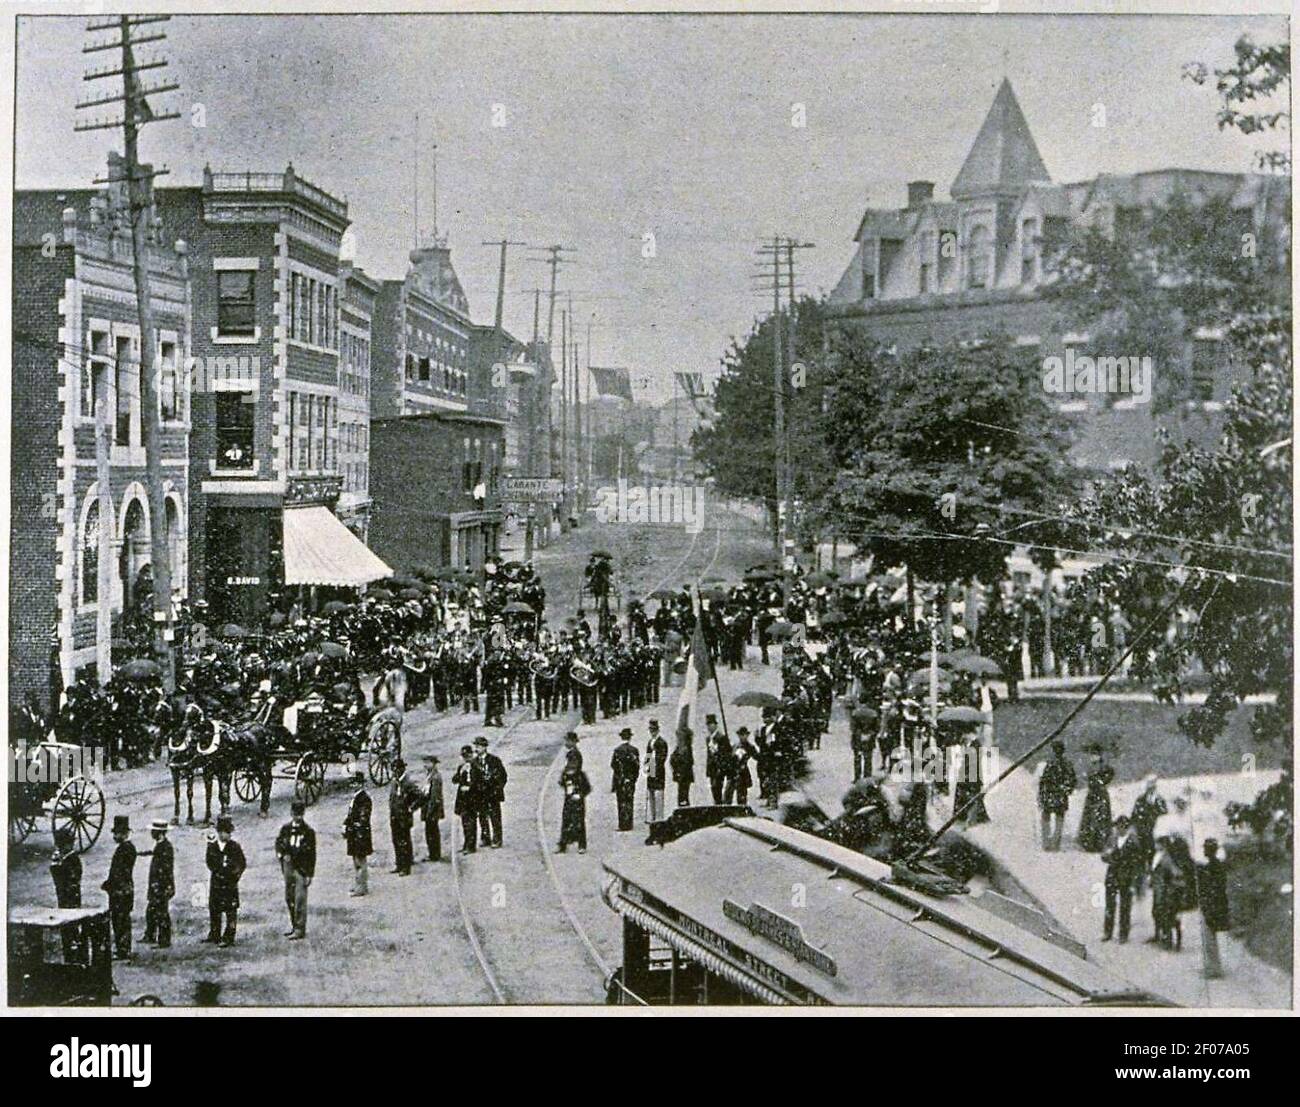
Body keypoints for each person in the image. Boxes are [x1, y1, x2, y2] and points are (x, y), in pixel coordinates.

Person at [276, 800, 316, 939]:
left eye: (300, 814)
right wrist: (282, 855)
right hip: (288, 867)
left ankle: (300, 928)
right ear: (291, 813)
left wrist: (310, 874)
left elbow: (312, 855)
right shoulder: (285, 829)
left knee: (300, 898)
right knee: (289, 897)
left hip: (301, 868)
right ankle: (294, 925)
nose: (298, 817)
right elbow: (279, 844)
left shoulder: (309, 832)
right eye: (295, 814)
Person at [205, 815, 246, 947]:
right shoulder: (212, 846)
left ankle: (229, 936)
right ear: (218, 832)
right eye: (222, 832)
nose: (224, 835)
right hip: (217, 882)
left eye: (227, 832)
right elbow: (209, 861)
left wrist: (235, 874)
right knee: (214, 908)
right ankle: (215, 933)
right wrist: (217, 871)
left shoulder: (235, 847)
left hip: (230, 883)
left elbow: (241, 863)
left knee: (230, 910)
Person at [1101, 814, 1142, 943]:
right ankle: (1108, 932)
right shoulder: (1112, 839)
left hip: (1126, 876)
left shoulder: (1133, 842)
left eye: (1122, 827)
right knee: (1110, 905)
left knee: (1125, 907)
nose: (1120, 830)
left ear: (1127, 828)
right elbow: (1103, 855)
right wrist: (1108, 855)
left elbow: (1137, 862)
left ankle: (1123, 934)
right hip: (1112, 875)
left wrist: (1135, 879)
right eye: (1118, 827)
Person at [101, 815, 137, 959]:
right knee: (121, 920)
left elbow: (118, 873)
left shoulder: (124, 849)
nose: (115, 836)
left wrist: (109, 884)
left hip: (120, 892)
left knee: (120, 921)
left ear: (124, 834)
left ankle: (123, 950)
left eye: (117, 833)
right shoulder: (127, 848)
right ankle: (123, 948)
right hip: (123, 890)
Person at [1196, 839, 1230, 979]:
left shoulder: (1211, 867)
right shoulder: (1216, 866)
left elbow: (1212, 888)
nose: (1204, 850)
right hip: (1216, 904)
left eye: (1205, 848)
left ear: (1209, 850)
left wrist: (1206, 904)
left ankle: (1213, 969)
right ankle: (1212, 967)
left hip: (1212, 906)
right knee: (1210, 937)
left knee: (1209, 937)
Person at [1149, 832, 1188, 951]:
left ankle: (1168, 940)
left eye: (1159, 844)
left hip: (1164, 890)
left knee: (1167, 915)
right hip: (1158, 888)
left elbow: (1174, 873)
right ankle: (1159, 935)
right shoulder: (1157, 855)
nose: (1156, 845)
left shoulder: (1166, 858)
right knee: (1156, 912)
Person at [1130, 775, 1167, 896]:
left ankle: (1153, 878)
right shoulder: (1140, 799)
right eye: (1148, 785)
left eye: (1152, 785)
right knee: (1140, 857)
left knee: (1153, 856)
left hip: (1153, 832)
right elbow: (1134, 816)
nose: (1150, 787)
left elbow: (1163, 814)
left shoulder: (1159, 800)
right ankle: (1140, 883)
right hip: (1142, 832)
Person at [1037, 740, 1077, 852]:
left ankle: (1047, 843)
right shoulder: (1066, 764)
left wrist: (1042, 794)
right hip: (1059, 795)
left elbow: (1043, 781)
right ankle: (1054, 844)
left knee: (1048, 818)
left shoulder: (1051, 763)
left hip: (1051, 794)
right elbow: (1072, 780)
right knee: (1058, 819)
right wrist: (1066, 789)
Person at [141, 819, 175, 948]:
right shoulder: (162, 845)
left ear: (159, 833)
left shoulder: (165, 847)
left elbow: (165, 870)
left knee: (161, 913)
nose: (151, 833)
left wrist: (162, 886)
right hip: (158, 885)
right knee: (152, 911)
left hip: (161, 886)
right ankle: (151, 935)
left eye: (153, 831)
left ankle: (164, 940)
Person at [1077, 748, 1115, 852]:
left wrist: (1101, 782)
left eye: (1095, 754)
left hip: (1100, 794)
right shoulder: (1091, 766)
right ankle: (1089, 842)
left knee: (1100, 818)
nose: (1093, 756)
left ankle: (1099, 842)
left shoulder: (1103, 766)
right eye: (1092, 754)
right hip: (1092, 794)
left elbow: (1109, 774)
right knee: (1090, 818)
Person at [474, 736, 508, 849]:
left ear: (485, 747)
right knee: (482, 817)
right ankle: (485, 838)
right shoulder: (474, 762)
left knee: (495, 817)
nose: (477, 749)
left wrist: (497, 788)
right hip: (480, 794)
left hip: (493, 794)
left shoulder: (494, 760)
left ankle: (497, 839)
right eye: (476, 746)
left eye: (479, 746)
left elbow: (503, 776)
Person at [556, 750, 591, 854]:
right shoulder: (565, 773)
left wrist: (580, 794)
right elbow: (562, 783)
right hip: (568, 801)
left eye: (573, 761)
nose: (571, 763)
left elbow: (587, 788)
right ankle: (563, 844)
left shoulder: (581, 775)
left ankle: (582, 845)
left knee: (579, 822)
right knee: (566, 821)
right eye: (570, 761)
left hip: (578, 802)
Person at [343, 771, 373, 896]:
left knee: (361, 861)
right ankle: (358, 884)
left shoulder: (364, 799)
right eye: (352, 783)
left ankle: (362, 887)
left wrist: (354, 828)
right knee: (356, 860)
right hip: (354, 833)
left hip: (360, 833)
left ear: (361, 784)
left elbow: (363, 818)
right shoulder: (356, 797)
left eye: (355, 783)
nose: (353, 785)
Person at [388, 758, 418, 875]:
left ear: (402, 769)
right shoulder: (395, 782)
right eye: (393, 770)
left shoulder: (407, 783)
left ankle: (406, 867)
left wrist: (411, 808)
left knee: (404, 841)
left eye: (396, 770)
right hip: (395, 816)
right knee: (396, 840)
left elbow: (419, 796)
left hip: (404, 816)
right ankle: (399, 864)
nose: (394, 772)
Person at [452, 745, 481, 854]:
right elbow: (454, 780)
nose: (466, 758)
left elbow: (479, 782)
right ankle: (466, 844)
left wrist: (470, 787)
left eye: (467, 756)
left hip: (472, 799)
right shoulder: (461, 767)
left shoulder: (476, 766)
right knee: (465, 823)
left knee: (471, 823)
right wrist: (460, 773)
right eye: (464, 756)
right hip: (463, 799)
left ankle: (471, 846)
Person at [611, 727, 640, 832]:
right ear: (630, 738)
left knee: (621, 801)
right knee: (630, 800)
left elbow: (613, 765)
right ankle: (629, 823)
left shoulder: (617, 750)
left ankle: (622, 823)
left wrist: (620, 776)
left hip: (620, 779)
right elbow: (637, 766)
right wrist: (633, 778)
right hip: (630, 779)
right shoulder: (634, 750)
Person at [50, 828, 83, 908]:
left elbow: (77, 873)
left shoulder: (71, 857)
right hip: (64, 887)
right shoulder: (62, 857)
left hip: (70, 887)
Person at [644, 719, 668, 825]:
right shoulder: (650, 742)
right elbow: (648, 756)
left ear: (657, 731)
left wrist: (654, 764)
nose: (652, 732)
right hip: (651, 770)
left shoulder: (662, 742)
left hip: (658, 770)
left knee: (658, 793)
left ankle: (659, 816)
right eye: (650, 730)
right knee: (651, 793)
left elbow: (662, 758)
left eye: (653, 730)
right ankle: (652, 816)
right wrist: (647, 768)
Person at [422, 755, 445, 862]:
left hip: (432, 809)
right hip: (429, 808)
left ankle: (435, 854)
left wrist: (429, 811)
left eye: (427, 763)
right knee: (430, 831)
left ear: (433, 764)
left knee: (432, 832)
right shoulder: (430, 775)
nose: (425, 765)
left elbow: (435, 796)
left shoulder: (435, 777)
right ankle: (433, 853)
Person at [731, 727, 756, 807]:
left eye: (745, 735)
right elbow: (730, 758)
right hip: (735, 771)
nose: (743, 737)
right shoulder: (735, 746)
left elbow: (756, 756)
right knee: (732, 791)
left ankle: (742, 807)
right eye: (741, 735)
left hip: (743, 772)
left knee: (743, 792)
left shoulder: (749, 746)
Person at [670, 729, 695, 808]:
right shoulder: (679, 748)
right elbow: (672, 759)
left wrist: (678, 771)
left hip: (684, 776)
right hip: (681, 776)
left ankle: (684, 809)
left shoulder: (686, 749)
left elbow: (687, 763)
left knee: (683, 795)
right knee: (682, 795)